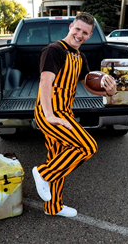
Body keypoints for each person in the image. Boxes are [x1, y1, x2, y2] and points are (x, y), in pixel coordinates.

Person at [32, 12, 117, 217]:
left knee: (59, 158)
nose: (80, 34)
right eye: (77, 29)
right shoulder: (54, 50)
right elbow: (45, 82)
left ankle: (53, 207)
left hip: (66, 112)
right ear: (70, 27)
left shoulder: (80, 57)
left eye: (85, 32)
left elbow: (89, 87)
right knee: (88, 146)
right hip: (50, 113)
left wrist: (110, 91)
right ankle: (42, 173)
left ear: (89, 36)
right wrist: (50, 115)